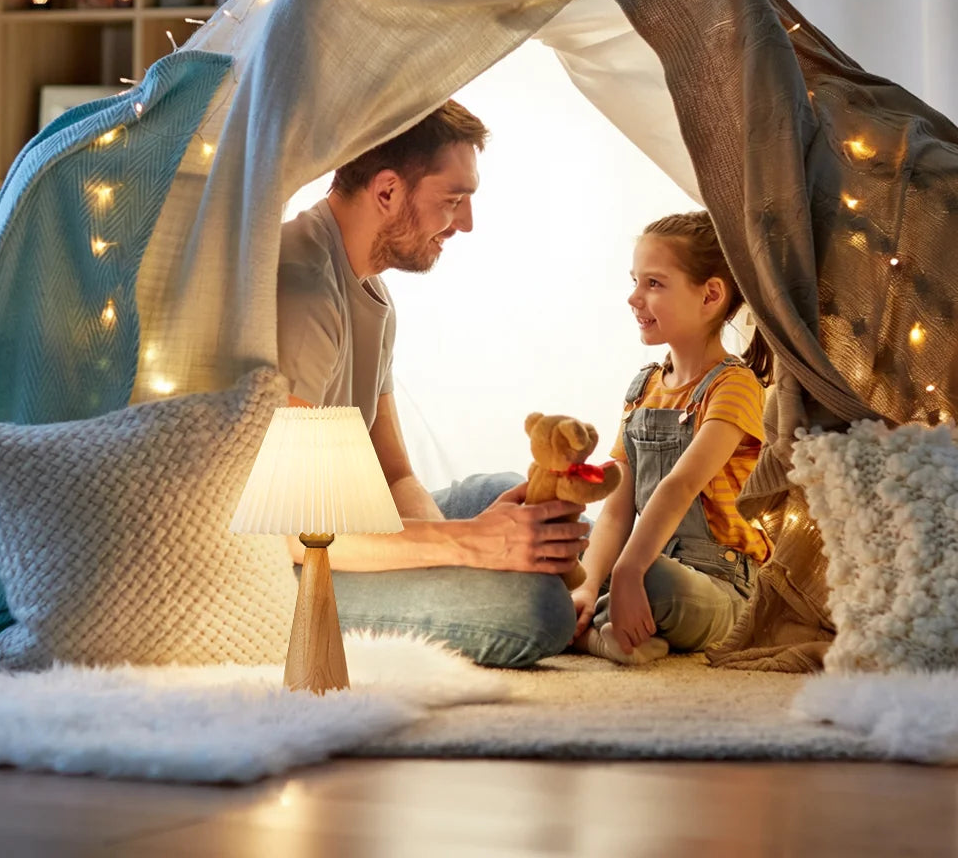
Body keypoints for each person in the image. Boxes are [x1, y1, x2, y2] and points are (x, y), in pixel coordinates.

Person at [276, 99, 586, 667]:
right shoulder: (303, 293)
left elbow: (393, 472)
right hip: (293, 563)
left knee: (517, 496)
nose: (465, 223)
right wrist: (469, 544)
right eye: (454, 199)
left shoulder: (372, 291)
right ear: (388, 191)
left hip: (350, 526)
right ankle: (591, 606)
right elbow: (295, 529)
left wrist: (478, 543)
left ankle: (611, 590)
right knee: (535, 609)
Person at [572, 210, 773, 665]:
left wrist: (626, 573)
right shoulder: (644, 388)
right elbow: (617, 508)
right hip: (643, 557)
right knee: (558, 554)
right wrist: (587, 582)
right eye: (635, 280)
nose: (633, 297)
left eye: (654, 284)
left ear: (711, 295)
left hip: (716, 583)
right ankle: (601, 626)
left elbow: (679, 486)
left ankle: (592, 629)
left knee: (655, 583)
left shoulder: (735, 387)